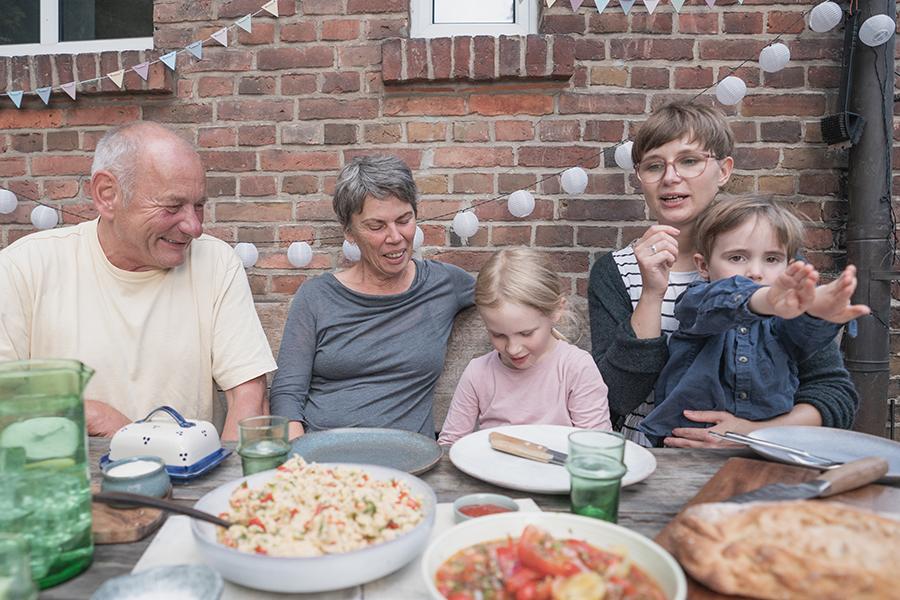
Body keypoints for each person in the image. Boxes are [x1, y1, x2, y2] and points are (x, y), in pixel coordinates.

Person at [588, 101, 859, 447]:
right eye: (654, 166)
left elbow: (834, 394)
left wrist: (752, 435)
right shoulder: (615, 272)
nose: (671, 177)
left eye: (689, 161)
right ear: (641, 178)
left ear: (724, 170)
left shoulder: (771, 267)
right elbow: (615, 398)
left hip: (756, 457)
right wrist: (652, 294)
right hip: (649, 457)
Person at [0, 122, 277, 440]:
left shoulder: (216, 263)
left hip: (189, 483)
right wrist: (84, 413)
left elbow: (250, 397)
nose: (194, 226)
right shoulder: (24, 267)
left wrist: (227, 487)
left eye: (198, 206)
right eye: (173, 206)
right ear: (107, 195)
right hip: (62, 480)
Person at [270, 155, 475, 439]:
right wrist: (303, 462)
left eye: (404, 220)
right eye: (377, 226)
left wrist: (546, 333)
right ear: (350, 232)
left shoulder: (444, 284)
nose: (395, 237)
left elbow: (509, 291)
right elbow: (287, 395)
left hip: (409, 460)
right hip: (326, 458)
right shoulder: (316, 297)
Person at [638, 196, 869, 446]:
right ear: (703, 266)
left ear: (788, 266)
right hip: (686, 446)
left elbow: (807, 339)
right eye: (737, 258)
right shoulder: (697, 300)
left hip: (772, 450)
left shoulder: (786, 320)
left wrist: (818, 311)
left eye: (771, 259)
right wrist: (764, 300)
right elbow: (718, 303)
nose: (755, 272)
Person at [438, 248, 611, 446]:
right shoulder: (478, 373)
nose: (513, 349)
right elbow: (449, 445)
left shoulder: (576, 368)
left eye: (526, 333)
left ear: (557, 311)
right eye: (498, 335)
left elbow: (598, 447)